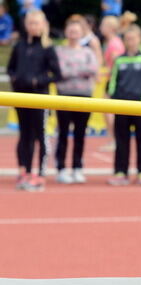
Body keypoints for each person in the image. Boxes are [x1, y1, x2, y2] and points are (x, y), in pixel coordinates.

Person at [7, 10, 61, 191]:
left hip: (40, 98)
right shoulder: (19, 46)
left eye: (36, 23)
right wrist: (15, 78)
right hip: (21, 98)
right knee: (24, 136)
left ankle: (40, 173)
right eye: (30, 23)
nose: (33, 26)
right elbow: (11, 68)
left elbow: (57, 75)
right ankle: (25, 170)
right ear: (26, 25)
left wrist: (38, 81)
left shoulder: (47, 47)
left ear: (43, 25)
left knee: (41, 135)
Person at [107, 24, 141, 186]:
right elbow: (113, 81)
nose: (131, 41)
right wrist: (114, 100)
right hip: (121, 106)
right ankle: (120, 172)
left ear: (140, 39)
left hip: (140, 106)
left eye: (133, 38)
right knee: (121, 141)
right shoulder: (119, 59)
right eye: (127, 39)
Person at [53, 18, 98, 184]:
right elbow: (61, 71)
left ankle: (77, 167)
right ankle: (62, 168)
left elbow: (93, 69)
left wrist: (73, 70)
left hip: (84, 96)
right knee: (63, 133)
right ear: (66, 32)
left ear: (82, 33)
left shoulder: (88, 52)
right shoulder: (59, 50)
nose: (73, 34)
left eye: (77, 31)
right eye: (71, 31)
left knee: (80, 134)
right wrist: (81, 71)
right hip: (64, 96)